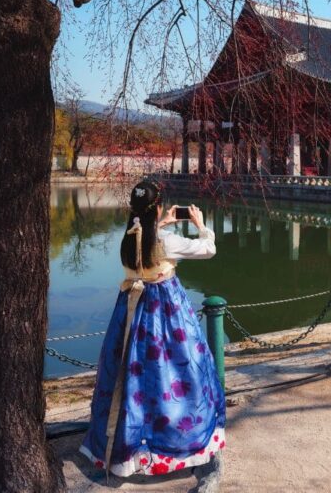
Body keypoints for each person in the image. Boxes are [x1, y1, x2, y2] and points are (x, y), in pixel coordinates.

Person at [81, 180, 224, 489]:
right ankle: (173, 441)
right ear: (158, 207)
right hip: (165, 313)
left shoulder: (128, 238)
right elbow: (208, 249)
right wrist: (201, 225)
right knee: (178, 371)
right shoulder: (166, 242)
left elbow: (143, 231)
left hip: (131, 313)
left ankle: (125, 445)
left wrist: (161, 221)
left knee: (128, 375)